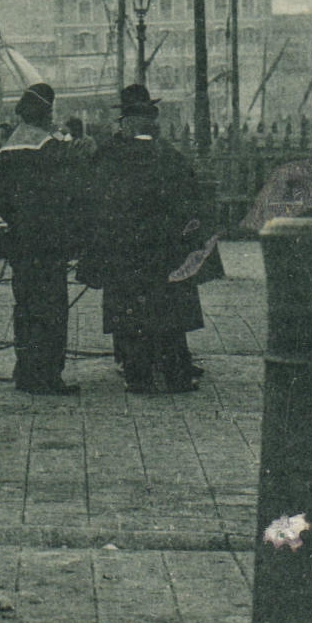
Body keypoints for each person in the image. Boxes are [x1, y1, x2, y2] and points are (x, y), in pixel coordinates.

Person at [82, 85, 206, 395]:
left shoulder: (108, 157)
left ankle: (138, 375)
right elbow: (190, 201)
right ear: (152, 123)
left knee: (130, 313)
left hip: (124, 250)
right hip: (164, 251)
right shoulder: (170, 156)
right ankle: (177, 374)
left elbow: (94, 201)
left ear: (125, 124)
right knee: (169, 312)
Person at [0, 83, 85, 396]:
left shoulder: (6, 149)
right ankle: (48, 376)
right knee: (52, 307)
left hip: (20, 242)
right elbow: (69, 193)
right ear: (47, 113)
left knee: (25, 305)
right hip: (50, 242)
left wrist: (19, 223)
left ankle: (26, 370)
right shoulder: (51, 148)